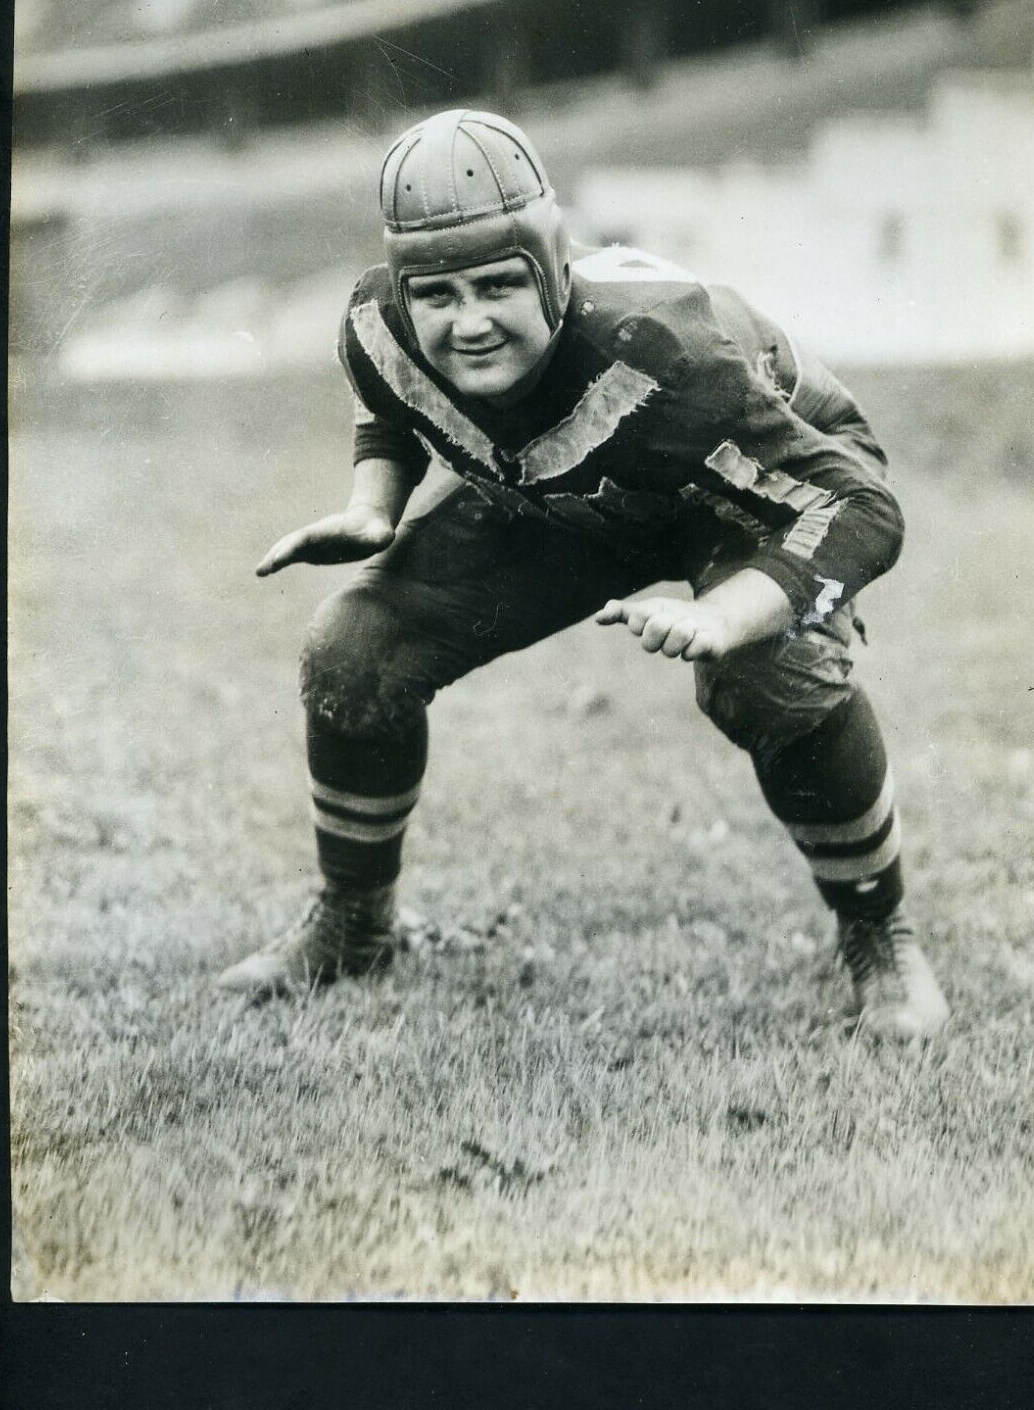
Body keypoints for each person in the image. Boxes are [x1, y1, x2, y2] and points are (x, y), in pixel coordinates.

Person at [218, 108, 950, 1041]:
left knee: (769, 672)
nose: (469, 322)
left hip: (733, 489)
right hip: (567, 490)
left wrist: (730, 612)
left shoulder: (668, 351)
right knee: (355, 647)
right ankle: (355, 924)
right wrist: (374, 505)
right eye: (437, 296)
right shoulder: (377, 323)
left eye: (496, 286)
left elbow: (858, 505)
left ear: (554, 270)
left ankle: (879, 932)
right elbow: (395, 407)